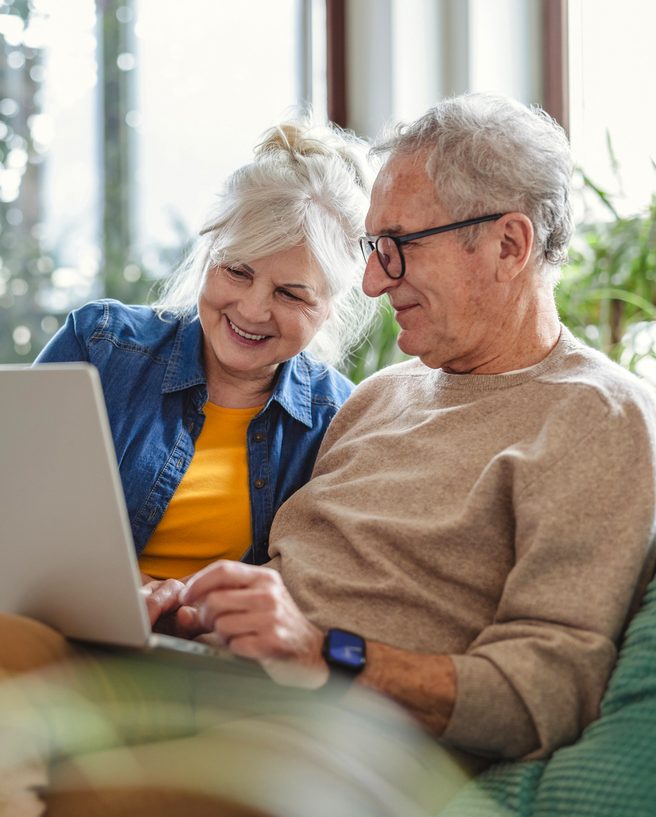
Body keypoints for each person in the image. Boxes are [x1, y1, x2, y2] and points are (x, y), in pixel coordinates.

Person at [3, 92, 656, 814]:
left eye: (397, 247)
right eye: (374, 248)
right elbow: (287, 578)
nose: (373, 282)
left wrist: (326, 653)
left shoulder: (599, 415)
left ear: (509, 244)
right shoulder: (380, 396)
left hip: (344, 742)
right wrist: (197, 606)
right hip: (210, 680)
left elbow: (547, 689)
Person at [34, 117, 376, 598]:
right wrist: (131, 592)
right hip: (60, 621)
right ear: (209, 253)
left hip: (216, 659)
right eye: (237, 271)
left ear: (328, 308)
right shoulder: (98, 347)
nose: (254, 309)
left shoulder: (340, 422)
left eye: (290, 294)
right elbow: (19, 516)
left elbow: (319, 590)